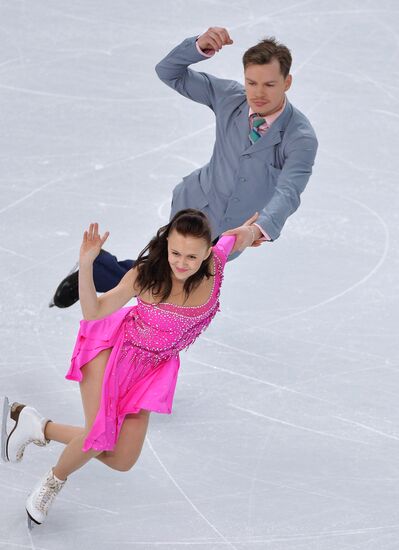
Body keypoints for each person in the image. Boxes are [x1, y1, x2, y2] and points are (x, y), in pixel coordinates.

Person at [1, 209, 253, 528]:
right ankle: (51, 483)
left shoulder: (218, 262)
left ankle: (35, 426)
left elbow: (239, 236)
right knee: (99, 436)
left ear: (207, 254)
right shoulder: (146, 276)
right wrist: (87, 264)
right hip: (111, 351)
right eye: (175, 252)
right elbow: (94, 312)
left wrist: (256, 229)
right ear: (166, 245)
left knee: (122, 460)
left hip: (151, 371)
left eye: (192, 256)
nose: (181, 262)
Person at [50, 27, 318, 309]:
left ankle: (101, 269)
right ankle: (102, 279)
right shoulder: (230, 97)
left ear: (287, 82)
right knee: (170, 281)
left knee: (174, 280)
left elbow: (288, 192)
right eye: (251, 83)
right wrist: (199, 47)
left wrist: (255, 231)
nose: (258, 93)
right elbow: (169, 72)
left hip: (232, 233)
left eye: (269, 85)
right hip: (194, 205)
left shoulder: (300, 137)